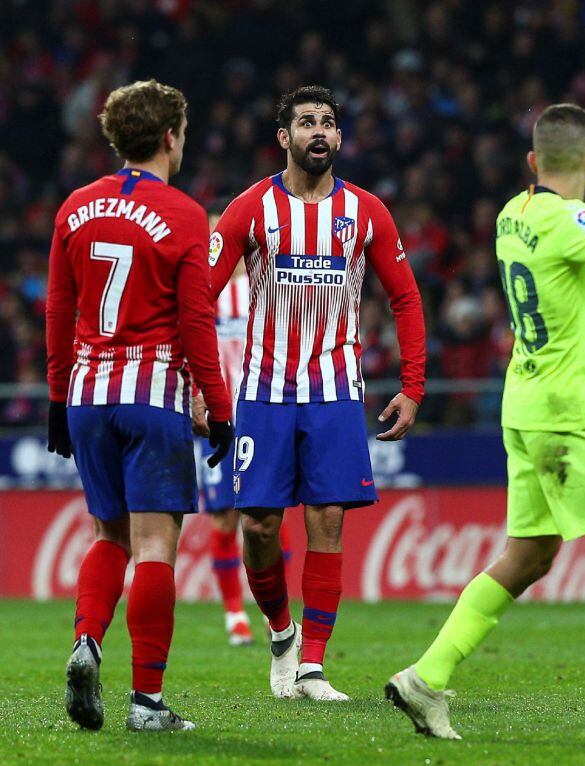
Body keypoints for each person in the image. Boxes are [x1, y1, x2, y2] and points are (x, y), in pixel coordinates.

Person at [386, 103, 585, 740]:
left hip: (523, 405)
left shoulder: (513, 214)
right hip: (569, 412)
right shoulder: (573, 219)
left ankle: (426, 678)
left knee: (530, 555)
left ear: (533, 162)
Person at [209, 85, 426, 701]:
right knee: (256, 525)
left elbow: (405, 299)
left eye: (328, 122)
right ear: (284, 138)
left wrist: (413, 387)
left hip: (335, 390)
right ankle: (281, 634)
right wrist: (197, 385)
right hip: (262, 390)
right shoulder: (250, 209)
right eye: (306, 123)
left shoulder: (367, 212)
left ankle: (312, 666)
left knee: (328, 517)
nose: (319, 132)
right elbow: (201, 298)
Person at [46, 80, 234, 731]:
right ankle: (146, 703)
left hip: (87, 395)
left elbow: (59, 309)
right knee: (156, 545)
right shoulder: (184, 214)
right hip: (153, 395)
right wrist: (219, 404)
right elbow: (197, 323)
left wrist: (54, 396)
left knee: (107, 534)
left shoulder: (73, 207)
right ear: (170, 137)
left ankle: (87, 642)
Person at [191, 208, 294, 648]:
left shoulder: (261, 287)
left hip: (260, 411)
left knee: (272, 511)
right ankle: (234, 613)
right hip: (217, 417)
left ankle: (277, 610)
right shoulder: (201, 294)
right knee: (224, 517)